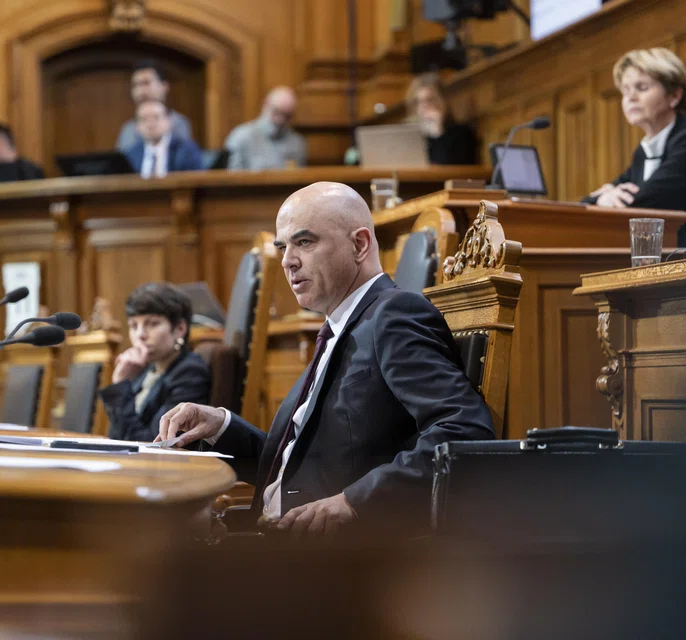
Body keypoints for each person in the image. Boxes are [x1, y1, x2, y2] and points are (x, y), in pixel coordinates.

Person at [156, 181, 495, 536]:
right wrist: (221, 427)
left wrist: (355, 502)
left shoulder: (394, 314)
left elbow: (464, 431)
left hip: (336, 554)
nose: (287, 261)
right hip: (274, 535)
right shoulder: (340, 326)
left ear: (359, 244)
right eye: (283, 247)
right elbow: (302, 466)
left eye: (304, 242)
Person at [582, 48, 686, 248]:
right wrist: (603, 197)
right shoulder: (643, 152)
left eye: (641, 88)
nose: (630, 97)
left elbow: (640, 205)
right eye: (625, 90)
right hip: (672, 257)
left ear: (674, 95)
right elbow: (585, 203)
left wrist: (605, 199)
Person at [99, 283, 210, 442]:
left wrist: (121, 385)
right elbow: (116, 435)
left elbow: (153, 442)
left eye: (152, 323)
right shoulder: (144, 368)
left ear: (180, 329)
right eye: (134, 326)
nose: (140, 335)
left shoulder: (189, 372)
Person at [116, 60, 193, 152]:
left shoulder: (178, 123)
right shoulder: (128, 129)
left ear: (164, 87)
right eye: (135, 85)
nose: (140, 91)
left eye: (146, 83)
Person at [224, 86, 308, 170]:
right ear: (266, 104)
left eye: (287, 116)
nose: (280, 120)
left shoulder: (297, 143)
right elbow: (232, 174)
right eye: (276, 112)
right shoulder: (241, 137)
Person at [405, 73, 478, 165]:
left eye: (430, 99)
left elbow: (447, 166)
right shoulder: (413, 138)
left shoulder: (462, 133)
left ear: (444, 101)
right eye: (418, 102)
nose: (424, 106)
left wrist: (438, 132)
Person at [123, 99, 204, 177]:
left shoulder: (186, 150)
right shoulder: (131, 155)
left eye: (156, 117)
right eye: (144, 119)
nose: (150, 124)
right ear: (137, 126)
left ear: (168, 121)